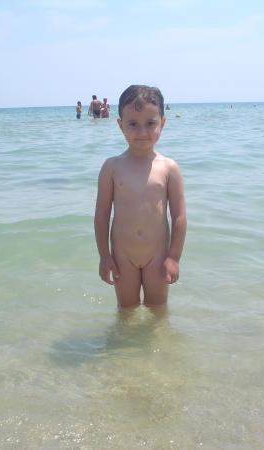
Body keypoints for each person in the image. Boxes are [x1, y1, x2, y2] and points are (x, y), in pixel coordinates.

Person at [94, 84, 187, 308]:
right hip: (122, 256)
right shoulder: (112, 167)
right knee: (126, 309)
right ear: (120, 125)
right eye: (133, 124)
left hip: (158, 255)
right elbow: (102, 215)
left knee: (158, 309)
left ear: (162, 123)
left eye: (150, 123)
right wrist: (104, 256)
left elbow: (179, 217)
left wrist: (173, 257)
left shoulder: (169, 168)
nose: (142, 132)